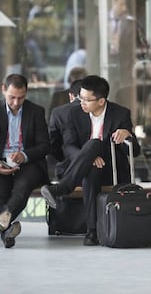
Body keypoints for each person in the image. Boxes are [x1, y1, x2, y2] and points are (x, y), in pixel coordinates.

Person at [41, 75, 140, 246]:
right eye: (81, 98)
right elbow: (68, 147)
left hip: (112, 168)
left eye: (87, 100)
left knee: (94, 145)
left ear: (101, 101)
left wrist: (127, 136)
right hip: (83, 167)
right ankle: (92, 231)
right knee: (91, 163)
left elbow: (135, 151)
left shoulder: (120, 113)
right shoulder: (74, 113)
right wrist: (89, 158)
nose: (82, 103)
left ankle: (64, 189)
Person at [0, 74, 49, 248]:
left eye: (20, 98)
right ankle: (6, 232)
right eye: (12, 97)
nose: (15, 102)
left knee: (22, 188)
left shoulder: (36, 111)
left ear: (26, 93)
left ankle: (3, 222)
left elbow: (45, 146)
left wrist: (25, 155)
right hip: (2, 163)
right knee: (2, 192)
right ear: (3, 89)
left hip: (29, 163)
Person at [48, 79, 82, 180]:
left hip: (67, 167)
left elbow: (53, 144)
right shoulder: (99, 110)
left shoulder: (59, 112)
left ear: (71, 96)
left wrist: (63, 158)